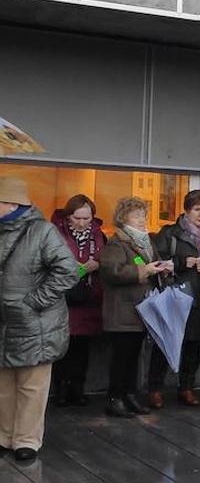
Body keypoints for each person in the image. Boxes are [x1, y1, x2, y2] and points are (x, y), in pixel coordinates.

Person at [0, 177, 78, 460]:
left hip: (36, 324)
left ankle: (27, 441)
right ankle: (4, 436)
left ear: (11, 204)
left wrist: (34, 301)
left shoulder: (42, 231)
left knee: (32, 386)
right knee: (4, 386)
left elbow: (68, 271)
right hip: (4, 322)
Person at [147, 190, 200, 408]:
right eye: (197, 209)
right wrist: (183, 262)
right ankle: (154, 389)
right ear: (187, 209)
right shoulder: (170, 233)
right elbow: (157, 260)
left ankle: (186, 388)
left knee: (194, 346)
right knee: (165, 344)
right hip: (176, 294)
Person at [99, 196, 173, 418]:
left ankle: (130, 395)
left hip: (142, 310)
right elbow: (113, 271)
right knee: (121, 357)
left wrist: (163, 268)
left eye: (143, 214)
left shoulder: (147, 241)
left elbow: (153, 264)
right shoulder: (117, 243)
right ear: (123, 218)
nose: (142, 219)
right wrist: (144, 271)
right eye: (136, 215)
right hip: (122, 311)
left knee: (134, 357)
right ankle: (115, 398)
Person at [51, 194, 106, 407]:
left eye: (87, 218)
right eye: (77, 218)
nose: (82, 223)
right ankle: (61, 390)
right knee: (63, 347)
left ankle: (78, 388)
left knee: (83, 348)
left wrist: (98, 265)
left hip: (90, 298)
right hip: (63, 299)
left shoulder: (99, 235)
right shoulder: (55, 233)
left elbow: (108, 259)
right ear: (68, 216)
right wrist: (71, 267)